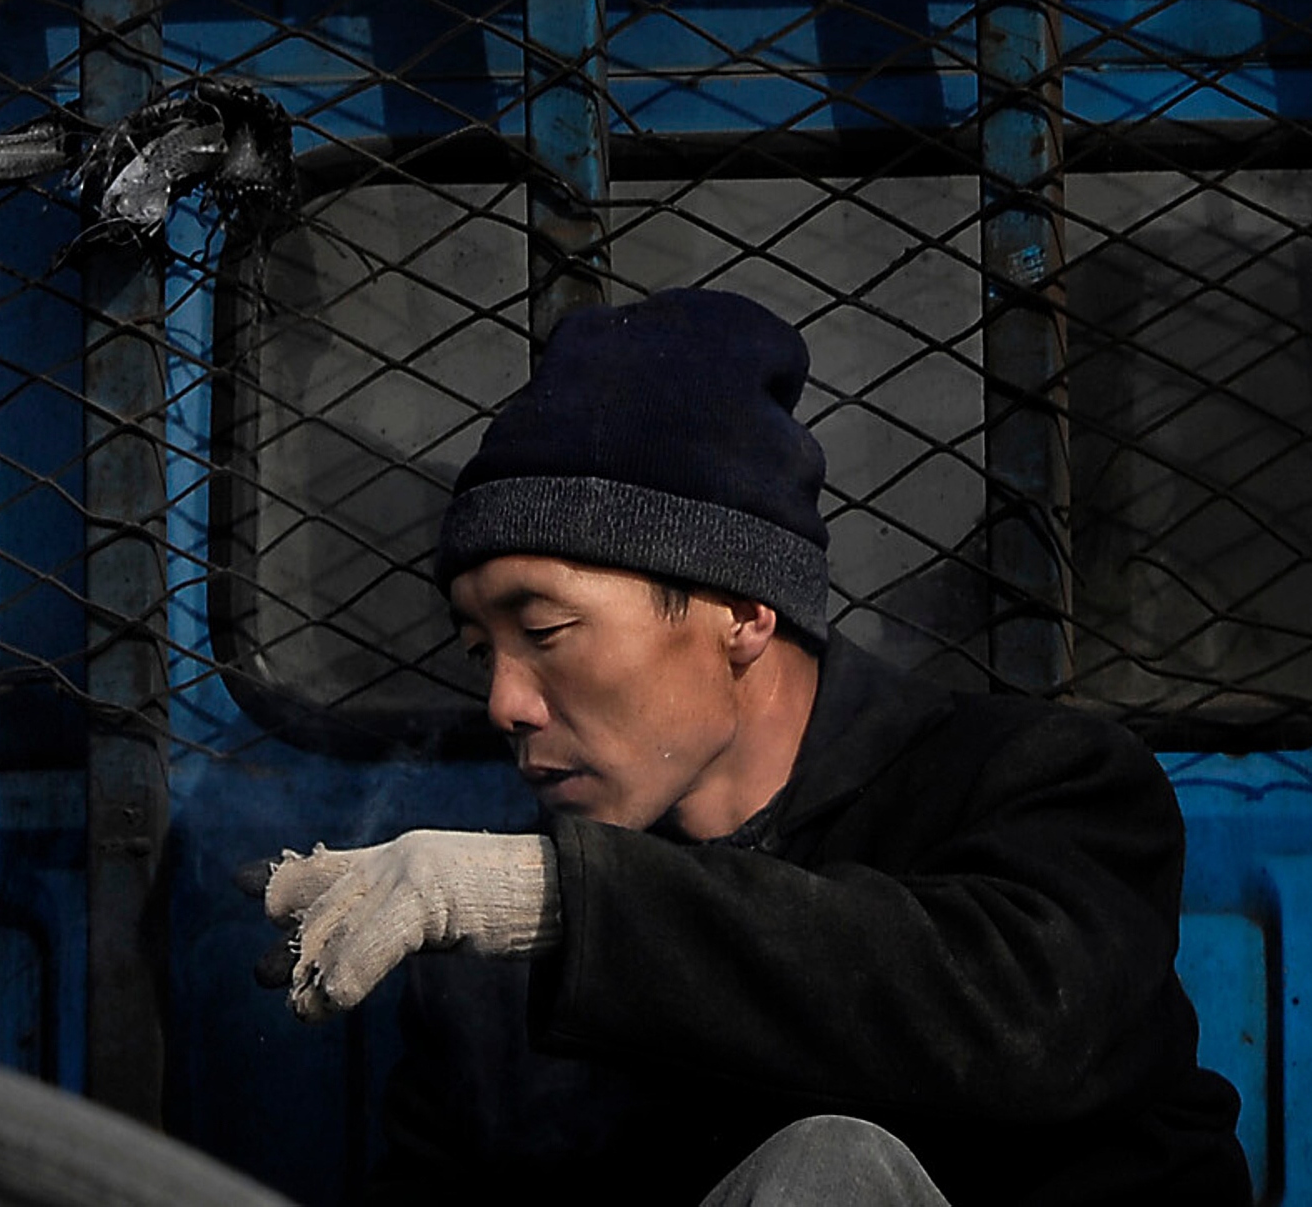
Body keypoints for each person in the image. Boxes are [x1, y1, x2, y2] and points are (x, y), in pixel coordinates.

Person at [260, 284, 1250, 1207]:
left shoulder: (1040, 784)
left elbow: (1027, 1020)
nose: (507, 702)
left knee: (830, 1171)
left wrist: (555, 898)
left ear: (743, 611)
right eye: (484, 653)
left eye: (547, 632)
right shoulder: (488, 967)